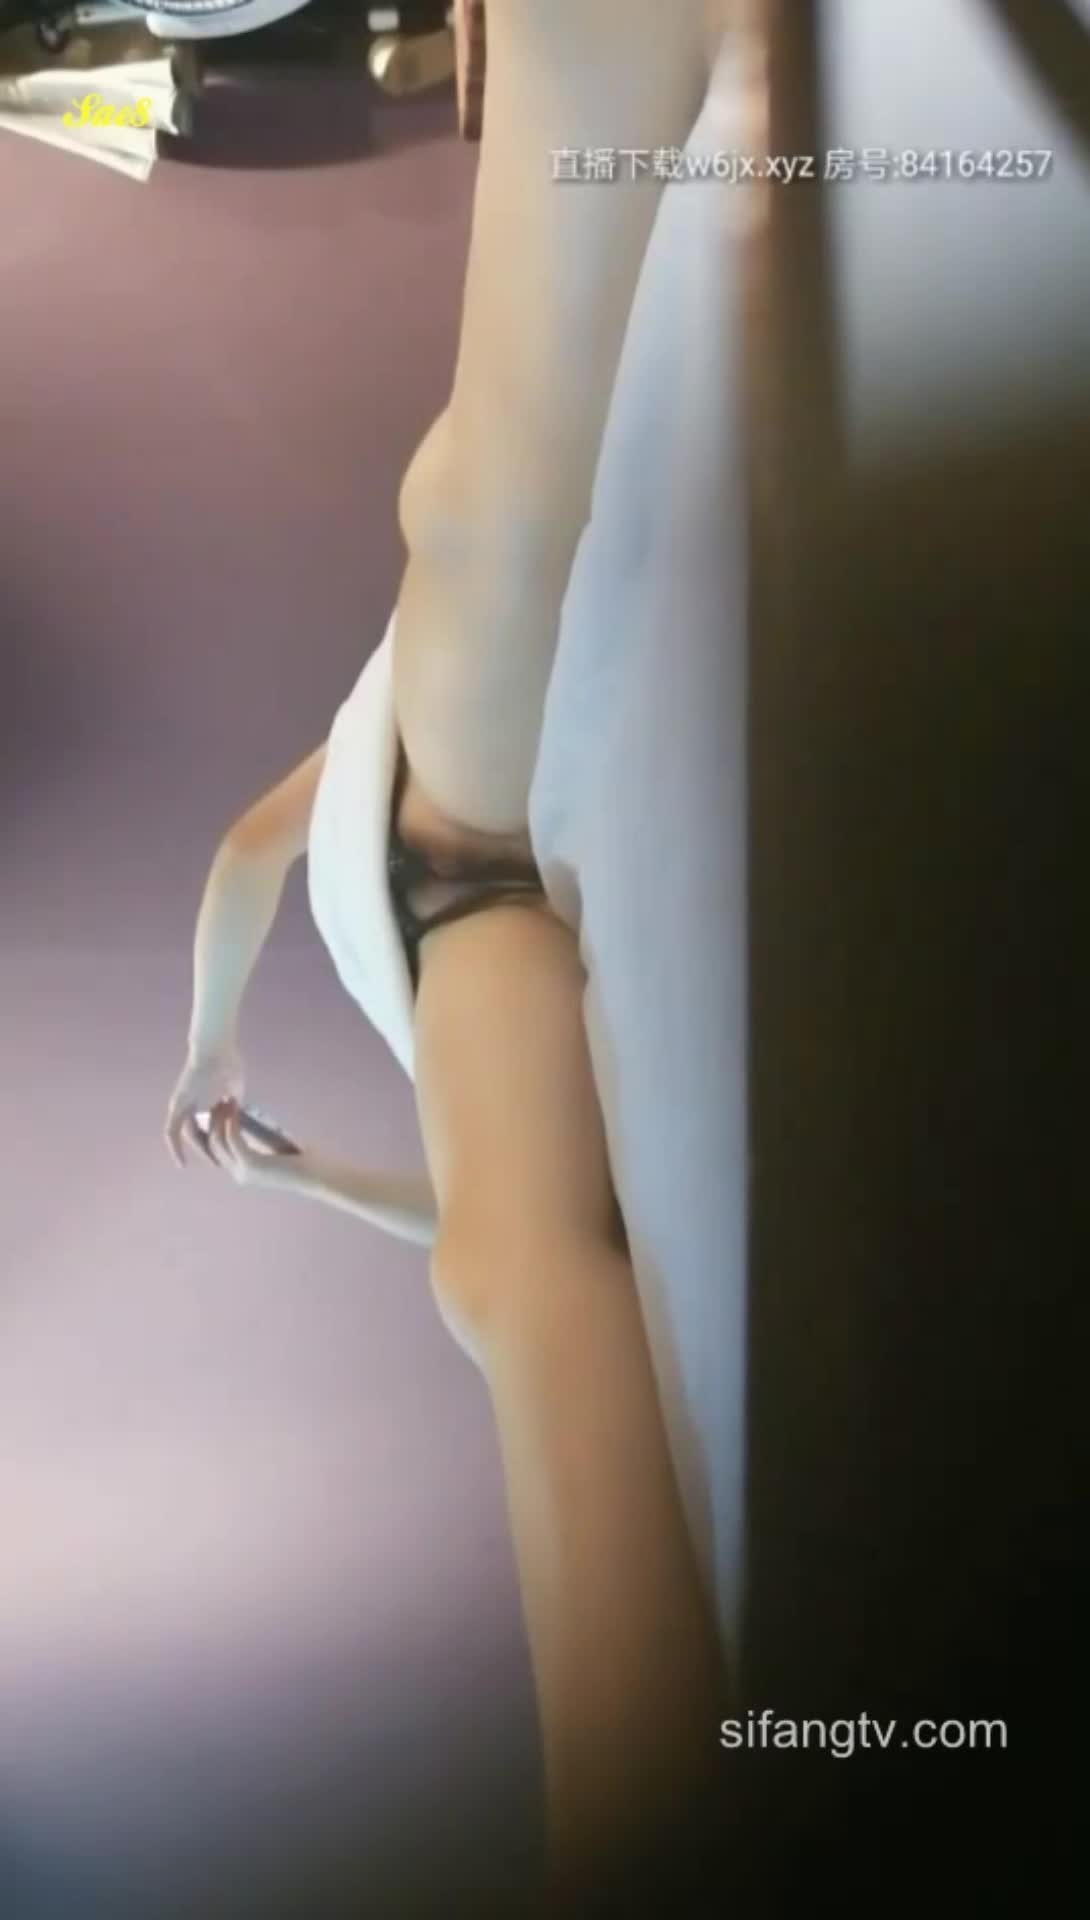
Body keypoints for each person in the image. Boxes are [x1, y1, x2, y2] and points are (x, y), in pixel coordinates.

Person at [164, 0, 729, 1894]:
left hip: (449, 887)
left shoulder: (354, 801)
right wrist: (254, 1104)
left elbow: (252, 864)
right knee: (478, 515)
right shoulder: (372, 823)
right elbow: (238, 870)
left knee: (515, 1274)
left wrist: (236, 1088)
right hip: (453, 891)